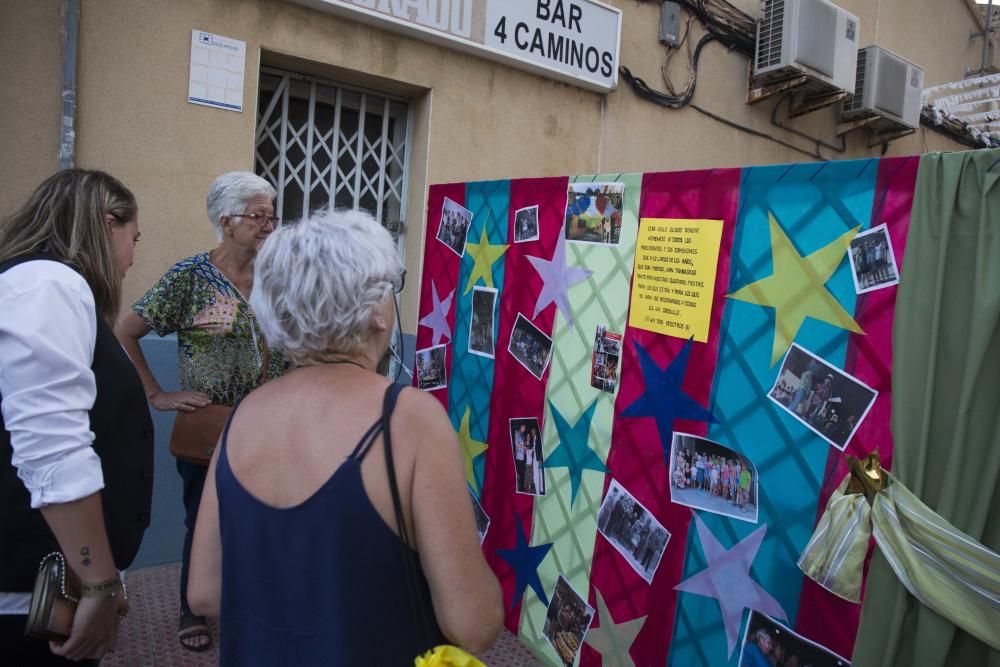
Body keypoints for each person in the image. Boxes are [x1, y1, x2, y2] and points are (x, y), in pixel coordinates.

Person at [187, 209, 504, 665]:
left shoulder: (242, 417)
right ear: (375, 309)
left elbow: (203, 594)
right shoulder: (409, 419)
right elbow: (473, 623)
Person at [113, 171, 285, 652]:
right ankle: (194, 607)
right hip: (211, 427)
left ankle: (258, 603)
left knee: (270, 517)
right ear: (226, 221)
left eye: (272, 214)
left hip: (275, 427)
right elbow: (125, 330)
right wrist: (157, 393)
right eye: (258, 215)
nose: (269, 224)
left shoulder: (282, 278)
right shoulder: (189, 278)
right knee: (203, 519)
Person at [0, 170, 150, 665]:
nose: (132, 257)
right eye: (134, 238)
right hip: (28, 601)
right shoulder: (48, 282)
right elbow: (52, 445)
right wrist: (99, 583)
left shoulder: (41, 285)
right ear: (109, 224)